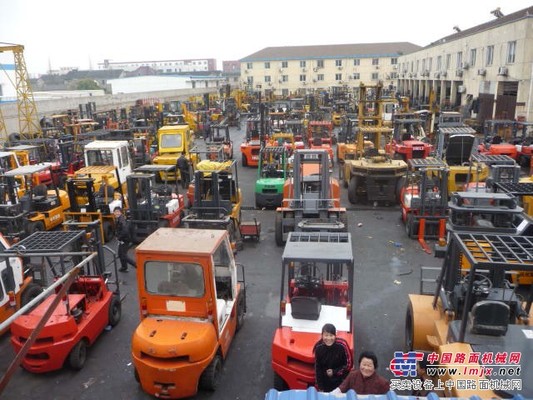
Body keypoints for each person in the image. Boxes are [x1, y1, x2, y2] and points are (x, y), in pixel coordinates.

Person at [313, 323, 352, 392]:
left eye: (331, 335)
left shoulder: (342, 345)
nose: (329, 338)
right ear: (322, 335)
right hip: (325, 382)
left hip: (340, 381)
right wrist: (320, 387)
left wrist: (334, 372)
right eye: (326, 335)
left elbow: (349, 364)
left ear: (335, 335)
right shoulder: (318, 347)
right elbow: (318, 369)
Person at [114, 207, 136, 272]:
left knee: (123, 256)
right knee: (120, 254)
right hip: (123, 239)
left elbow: (125, 231)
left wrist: (119, 237)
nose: (117, 213)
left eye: (118, 211)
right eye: (115, 211)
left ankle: (137, 266)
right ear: (114, 213)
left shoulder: (121, 220)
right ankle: (124, 267)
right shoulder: (118, 219)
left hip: (125, 240)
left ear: (121, 212)